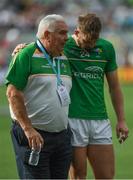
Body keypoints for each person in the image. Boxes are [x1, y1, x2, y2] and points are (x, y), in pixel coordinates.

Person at [12, 13, 129, 179]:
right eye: (86, 41)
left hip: (100, 119)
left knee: (106, 176)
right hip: (73, 120)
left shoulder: (106, 48)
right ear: (77, 32)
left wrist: (122, 120)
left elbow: (115, 87)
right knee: (79, 176)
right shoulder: (64, 46)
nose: (90, 46)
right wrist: (23, 47)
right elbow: (44, 45)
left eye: (94, 41)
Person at [5, 14, 72, 179]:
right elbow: (13, 93)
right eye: (62, 33)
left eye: (67, 33)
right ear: (47, 35)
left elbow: (84, 39)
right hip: (34, 137)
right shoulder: (26, 55)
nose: (67, 38)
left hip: (62, 137)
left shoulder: (64, 55)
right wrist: (28, 129)